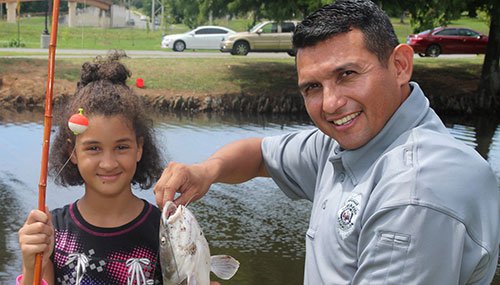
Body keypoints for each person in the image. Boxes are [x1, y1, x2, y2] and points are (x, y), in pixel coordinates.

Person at [153, 0, 500, 284]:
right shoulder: (348, 143)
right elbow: (259, 155)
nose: (331, 104)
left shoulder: (419, 192)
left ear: (399, 65)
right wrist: (206, 171)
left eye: (347, 74)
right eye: (312, 88)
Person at [18, 52, 164, 285]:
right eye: (94, 148)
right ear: (73, 153)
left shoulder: (164, 232)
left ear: (139, 148)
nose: (108, 163)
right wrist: (31, 264)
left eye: (122, 147)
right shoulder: (52, 231)